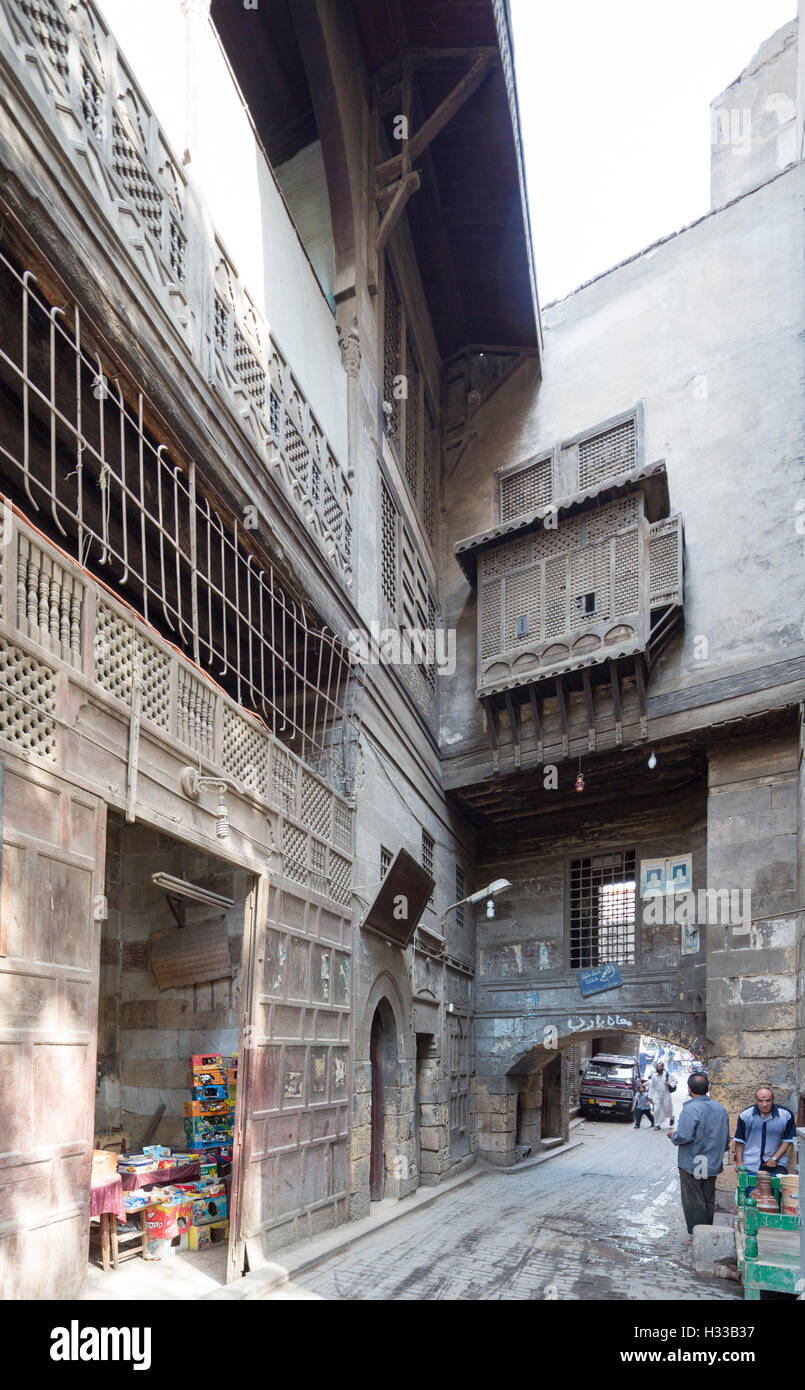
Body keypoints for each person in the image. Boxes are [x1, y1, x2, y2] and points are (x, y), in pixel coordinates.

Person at [669, 1072, 730, 1242]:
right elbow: (726, 1138)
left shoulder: (691, 1109)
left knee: (694, 1199)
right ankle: (706, 1232)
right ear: (708, 1088)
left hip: (694, 1161)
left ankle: (697, 1234)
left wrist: (673, 1135)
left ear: (689, 1089)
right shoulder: (720, 1108)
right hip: (711, 1161)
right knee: (707, 1197)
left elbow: (684, 1136)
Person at [732, 1086, 796, 1192]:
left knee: (774, 1197)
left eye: (768, 1101)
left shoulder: (785, 1115)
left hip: (776, 1163)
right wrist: (739, 1163)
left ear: (773, 1100)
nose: (765, 1104)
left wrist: (774, 1158)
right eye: (761, 1101)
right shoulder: (746, 1115)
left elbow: (787, 1140)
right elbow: (740, 1141)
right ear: (756, 1101)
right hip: (751, 1163)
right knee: (749, 1196)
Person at [646, 1058, 675, 1129]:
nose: (658, 1068)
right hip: (657, 1095)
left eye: (660, 1067)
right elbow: (651, 1087)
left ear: (662, 1067)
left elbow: (675, 1081)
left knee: (668, 1108)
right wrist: (650, 1098)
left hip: (666, 1094)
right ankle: (657, 1124)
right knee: (656, 1109)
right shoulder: (654, 1076)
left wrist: (670, 1084)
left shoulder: (667, 1075)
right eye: (657, 1067)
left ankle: (671, 1117)